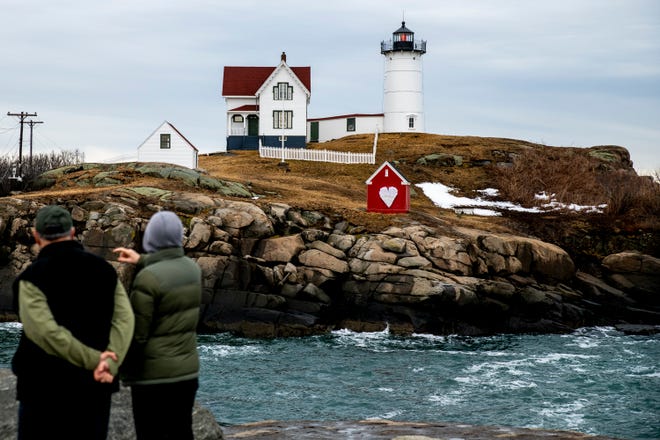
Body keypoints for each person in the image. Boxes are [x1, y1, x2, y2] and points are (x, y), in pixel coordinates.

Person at [12, 204, 135, 440]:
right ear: (72, 233)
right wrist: (109, 362)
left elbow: (46, 333)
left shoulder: (29, 279)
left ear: (36, 235)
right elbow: (125, 319)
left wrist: (93, 360)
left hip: (42, 388)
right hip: (94, 388)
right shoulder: (105, 270)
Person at [113, 210, 202, 440]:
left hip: (153, 378)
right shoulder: (193, 270)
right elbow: (168, 269)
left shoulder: (147, 278)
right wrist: (140, 259)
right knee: (182, 432)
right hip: (186, 373)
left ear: (150, 238)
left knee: (150, 434)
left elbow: (138, 335)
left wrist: (119, 369)